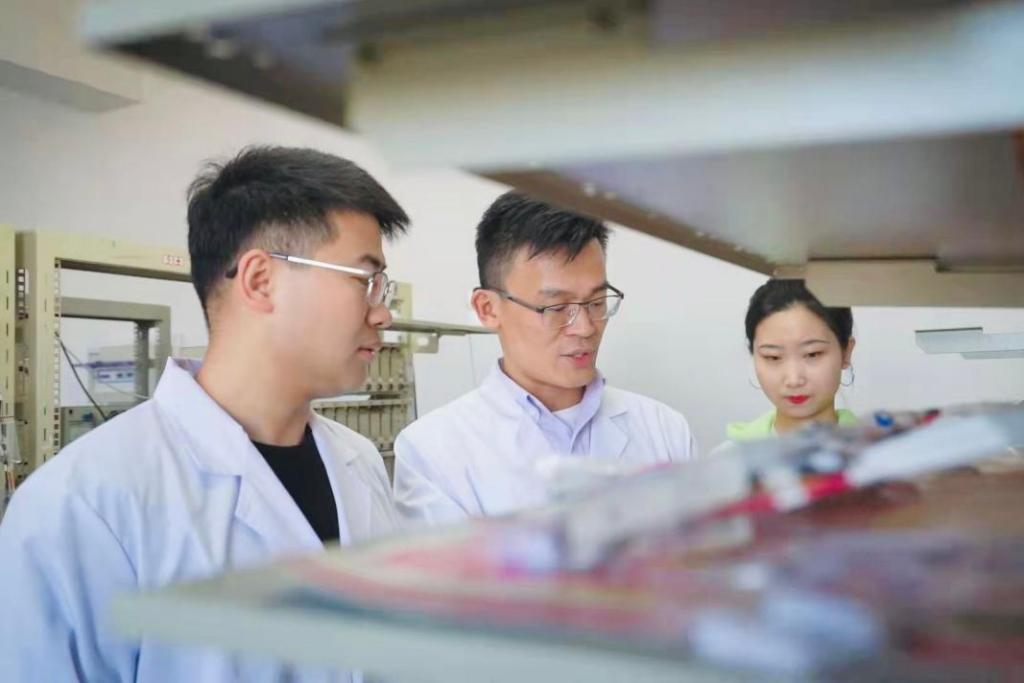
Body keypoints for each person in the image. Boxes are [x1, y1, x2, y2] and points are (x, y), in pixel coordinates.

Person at [0, 146, 409, 681]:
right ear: (260, 280)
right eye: (364, 279)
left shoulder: (359, 461)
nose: (383, 312)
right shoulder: (82, 504)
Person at [393, 191, 697, 525]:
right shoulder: (432, 452)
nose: (585, 327)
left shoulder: (664, 429)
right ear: (488, 308)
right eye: (556, 307)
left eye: (596, 302)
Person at [715, 278, 857, 451]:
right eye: (773, 357)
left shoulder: (877, 455)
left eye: (812, 354)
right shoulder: (729, 457)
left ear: (846, 352)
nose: (794, 379)